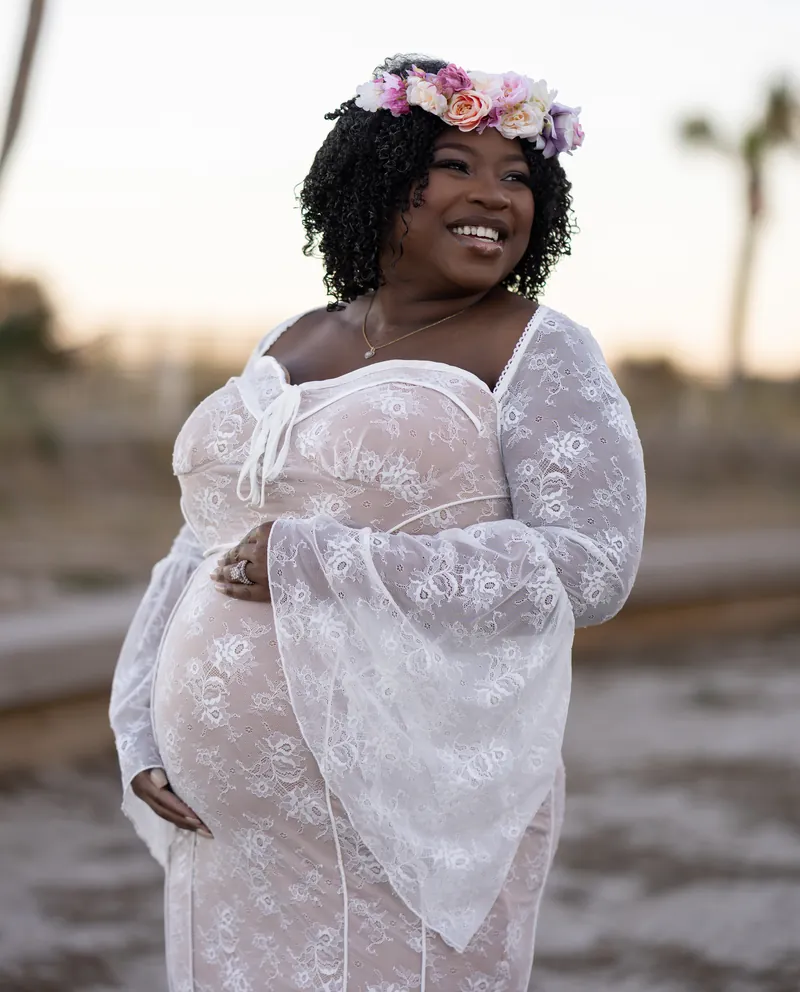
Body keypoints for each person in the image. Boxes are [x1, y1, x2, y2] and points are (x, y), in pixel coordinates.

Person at [110, 54, 645, 992]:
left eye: (517, 176)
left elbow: (589, 565)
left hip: (400, 809)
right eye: (454, 164)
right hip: (229, 830)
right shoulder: (293, 335)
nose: (494, 195)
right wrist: (139, 728)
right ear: (378, 176)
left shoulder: (536, 347)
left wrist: (325, 560)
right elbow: (202, 542)